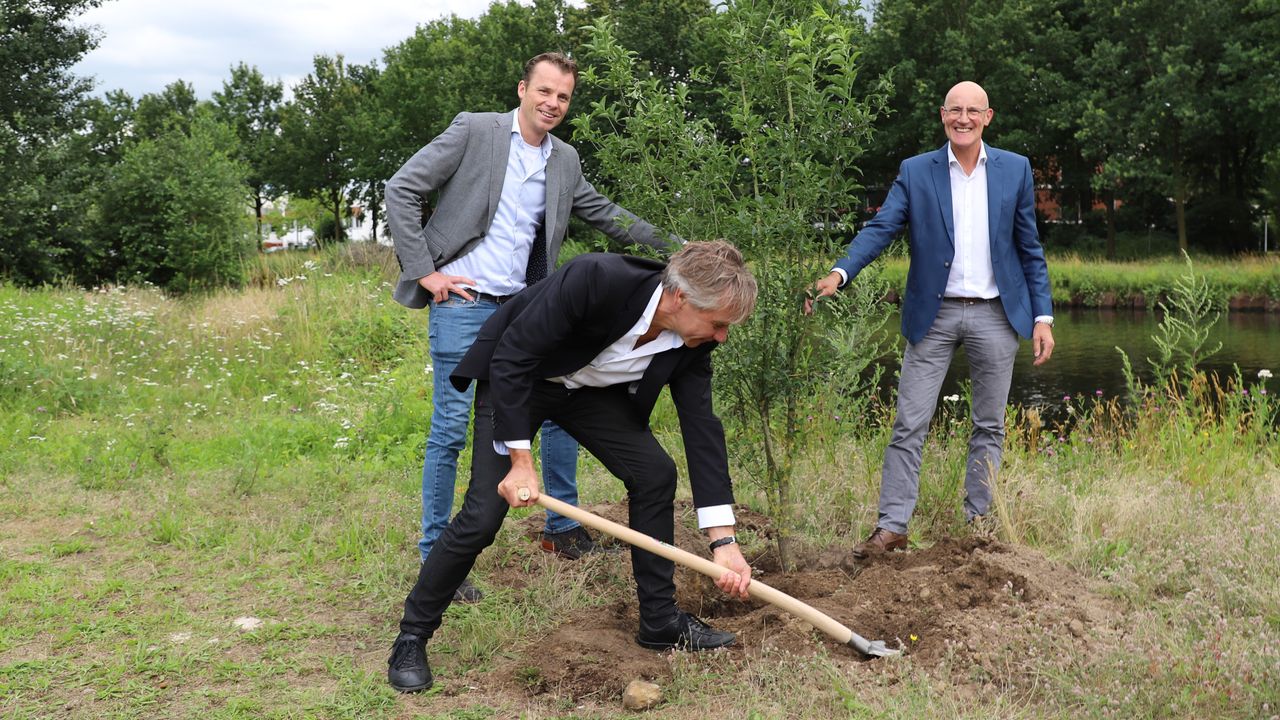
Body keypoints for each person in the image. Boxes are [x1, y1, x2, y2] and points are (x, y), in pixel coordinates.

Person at [386, 241, 757, 693]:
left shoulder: (693, 341)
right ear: (680, 297)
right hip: (520, 376)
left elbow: (702, 429)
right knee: (484, 513)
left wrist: (724, 541)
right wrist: (520, 461)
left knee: (655, 474)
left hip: (589, 395)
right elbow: (513, 355)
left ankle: (659, 623)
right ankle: (412, 636)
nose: (721, 337)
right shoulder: (596, 279)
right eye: (718, 323)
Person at [386, 52, 681, 600]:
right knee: (451, 428)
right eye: (544, 91)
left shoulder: (563, 159)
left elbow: (605, 212)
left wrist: (678, 250)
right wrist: (425, 272)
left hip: (524, 308)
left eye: (563, 97)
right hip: (463, 302)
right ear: (522, 88)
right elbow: (401, 188)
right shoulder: (475, 131)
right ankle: (437, 556)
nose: (552, 103)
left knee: (554, 410)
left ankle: (562, 529)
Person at [807, 81, 1055, 559]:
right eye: (954, 110)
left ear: (988, 116)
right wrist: (841, 271)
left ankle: (978, 525)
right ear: (943, 115)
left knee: (989, 426)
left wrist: (1042, 315)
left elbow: (1030, 248)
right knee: (908, 424)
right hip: (933, 314)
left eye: (972, 111)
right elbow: (881, 227)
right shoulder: (916, 171)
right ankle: (892, 527)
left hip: (996, 314)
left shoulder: (1015, 170)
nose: (963, 118)